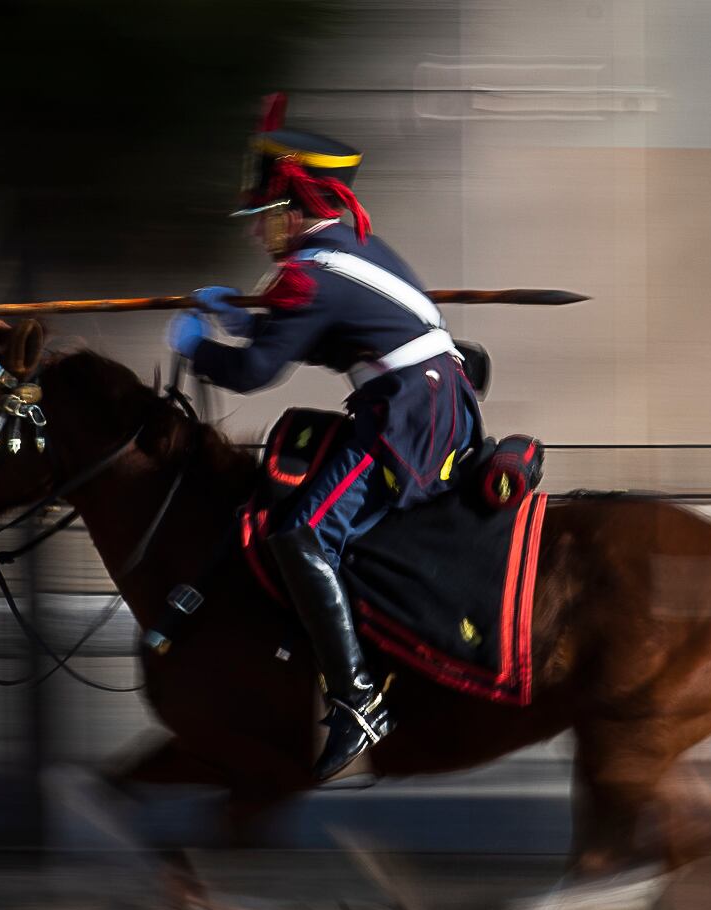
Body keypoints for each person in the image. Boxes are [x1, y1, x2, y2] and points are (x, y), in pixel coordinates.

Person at [168, 96, 482, 782]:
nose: (257, 234)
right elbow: (311, 336)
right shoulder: (352, 249)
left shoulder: (308, 276)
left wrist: (201, 346)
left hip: (406, 414)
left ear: (292, 208)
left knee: (301, 534)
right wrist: (242, 318)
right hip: (427, 400)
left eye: (261, 218)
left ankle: (360, 699)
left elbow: (256, 372)